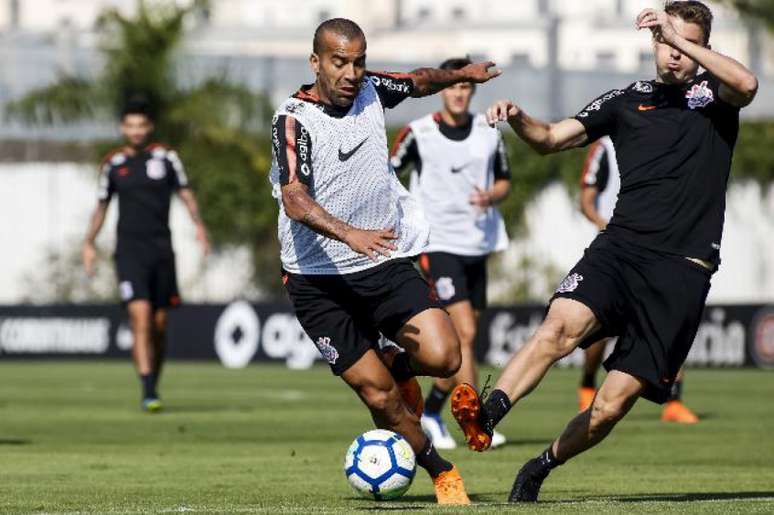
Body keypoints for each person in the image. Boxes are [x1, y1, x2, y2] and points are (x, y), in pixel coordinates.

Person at [448, 2, 757, 502]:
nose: (674, 54)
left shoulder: (716, 97)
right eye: (664, 41)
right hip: (621, 249)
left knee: (611, 405)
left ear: (699, 48)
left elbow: (747, 84)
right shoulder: (624, 99)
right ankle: (487, 415)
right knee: (559, 328)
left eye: (686, 44)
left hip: (682, 269)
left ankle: (541, 464)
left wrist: (680, 38)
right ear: (651, 44)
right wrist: (519, 118)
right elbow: (549, 139)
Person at [269, 18, 499, 504]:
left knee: (446, 356)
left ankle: (398, 362)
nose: (352, 72)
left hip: (381, 259)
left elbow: (417, 81)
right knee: (378, 395)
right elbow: (293, 198)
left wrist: (462, 76)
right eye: (339, 62)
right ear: (316, 63)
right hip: (317, 281)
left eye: (359, 61)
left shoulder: (372, 89)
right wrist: (348, 232)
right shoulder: (293, 120)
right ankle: (442, 472)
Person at [390, 56, 512, 450]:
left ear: (472, 92)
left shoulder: (488, 132)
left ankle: (442, 412)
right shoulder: (418, 133)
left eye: (465, 88)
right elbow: (385, 173)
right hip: (437, 243)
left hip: (477, 244)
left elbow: (505, 181)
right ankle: (466, 420)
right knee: (466, 331)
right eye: (453, 87)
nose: (459, 93)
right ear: (443, 89)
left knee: (463, 342)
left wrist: (492, 194)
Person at [82, 101, 210, 413]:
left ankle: (154, 381)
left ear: (149, 127)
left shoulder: (166, 158)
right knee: (139, 316)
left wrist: (199, 226)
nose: (136, 131)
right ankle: (148, 390)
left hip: (161, 251)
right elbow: (101, 207)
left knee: (159, 324)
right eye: (130, 125)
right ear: (123, 129)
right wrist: (88, 242)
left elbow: (185, 193)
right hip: (128, 252)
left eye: (141, 125)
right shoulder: (113, 163)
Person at [578, 136, 699, 424]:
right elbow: (586, 198)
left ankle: (674, 401)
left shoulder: (673, 138)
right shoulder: (606, 146)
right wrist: (604, 225)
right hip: (616, 250)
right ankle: (587, 383)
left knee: (672, 320)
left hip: (662, 248)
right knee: (603, 327)